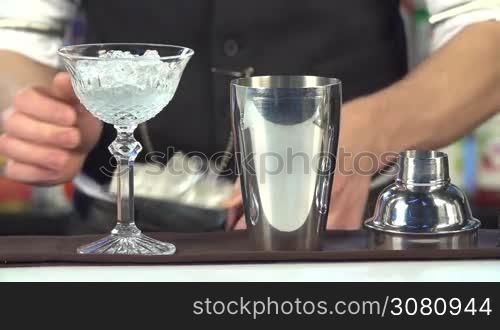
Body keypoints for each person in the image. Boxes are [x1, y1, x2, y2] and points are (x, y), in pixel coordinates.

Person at [0, 0, 499, 232]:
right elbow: (16, 35)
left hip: (346, 226)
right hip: (118, 224)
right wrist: (48, 115)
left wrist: (369, 134)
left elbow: (488, 25)